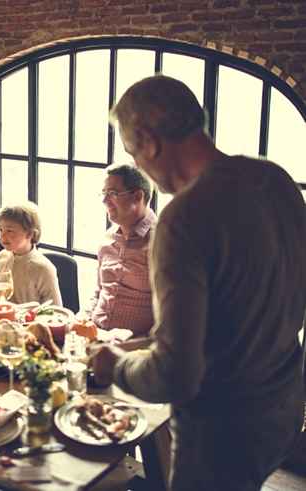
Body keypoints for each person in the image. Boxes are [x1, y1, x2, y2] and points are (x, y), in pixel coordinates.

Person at [90, 75, 306, 491]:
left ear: (149, 141)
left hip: (222, 427)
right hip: (283, 404)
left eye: (134, 153)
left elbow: (176, 375)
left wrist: (114, 364)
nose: (142, 168)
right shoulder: (275, 180)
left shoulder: (183, 217)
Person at [83, 164, 156, 336]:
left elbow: (172, 317)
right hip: (96, 334)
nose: (104, 200)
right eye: (104, 193)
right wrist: (83, 318)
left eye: (112, 194)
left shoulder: (162, 242)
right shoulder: (107, 240)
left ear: (138, 196)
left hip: (134, 347)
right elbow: (100, 291)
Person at [0, 202, 61, 306]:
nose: (2, 236)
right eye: (0, 230)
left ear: (30, 234)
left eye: (10, 231)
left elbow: (55, 309)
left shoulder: (43, 268)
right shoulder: (3, 256)